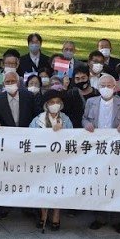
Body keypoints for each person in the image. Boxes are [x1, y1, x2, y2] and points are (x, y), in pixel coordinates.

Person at [82, 73, 120, 233]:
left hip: (116, 151)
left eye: (109, 85)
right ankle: (100, 217)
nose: (106, 88)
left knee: (117, 182)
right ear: (97, 86)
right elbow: (84, 119)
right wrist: (87, 123)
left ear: (115, 87)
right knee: (99, 182)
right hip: (97, 149)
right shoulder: (91, 102)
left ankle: (118, 220)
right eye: (102, 85)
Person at [32, 90, 71, 231]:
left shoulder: (66, 119)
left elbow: (72, 138)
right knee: (42, 187)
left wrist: (62, 132)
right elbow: (31, 137)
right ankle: (43, 214)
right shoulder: (38, 120)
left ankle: (56, 214)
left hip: (60, 160)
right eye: (51, 102)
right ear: (46, 105)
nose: (55, 105)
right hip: (43, 160)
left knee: (58, 188)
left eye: (57, 102)